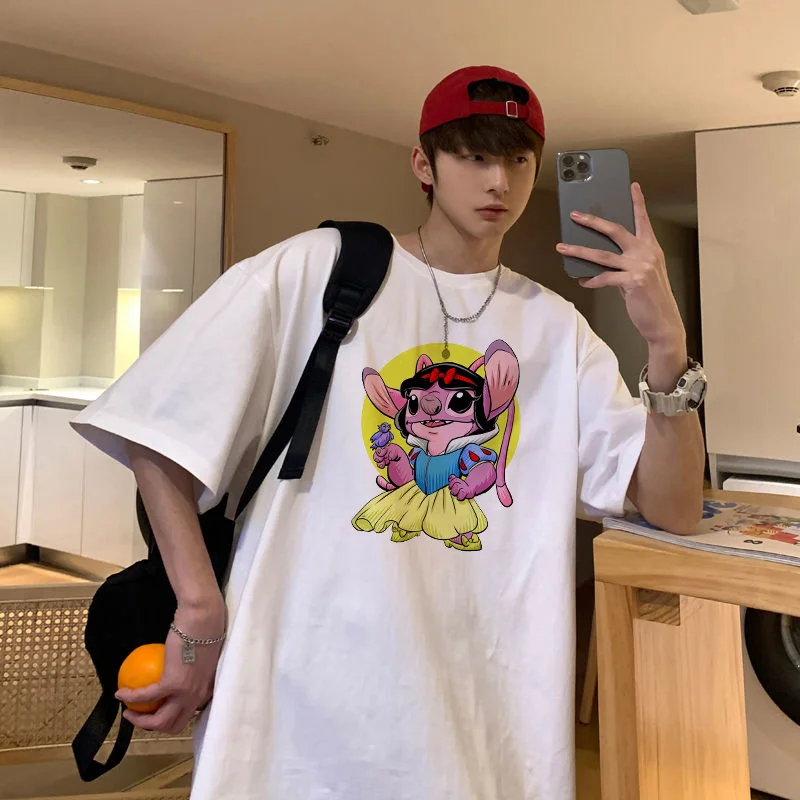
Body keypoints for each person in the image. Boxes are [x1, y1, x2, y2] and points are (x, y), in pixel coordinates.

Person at [72, 65, 706, 799]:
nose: (497, 180)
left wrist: (666, 344)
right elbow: (155, 430)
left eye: (517, 158)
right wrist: (199, 609)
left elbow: (674, 506)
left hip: (489, 724)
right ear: (423, 164)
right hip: (298, 708)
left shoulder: (556, 330)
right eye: (473, 154)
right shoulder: (317, 270)